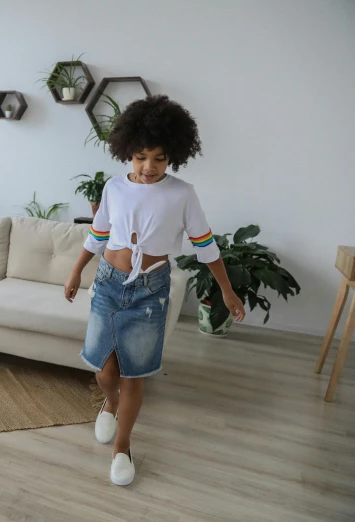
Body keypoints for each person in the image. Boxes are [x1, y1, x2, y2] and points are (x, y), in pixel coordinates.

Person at [64, 95, 245, 486]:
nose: (149, 167)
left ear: (172, 157)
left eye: (159, 158)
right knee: (103, 370)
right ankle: (110, 405)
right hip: (109, 286)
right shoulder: (114, 188)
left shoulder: (182, 194)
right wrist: (76, 270)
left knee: (134, 375)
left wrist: (227, 292)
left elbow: (206, 245)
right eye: (141, 156)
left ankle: (122, 448)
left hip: (150, 292)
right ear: (128, 151)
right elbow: (97, 235)